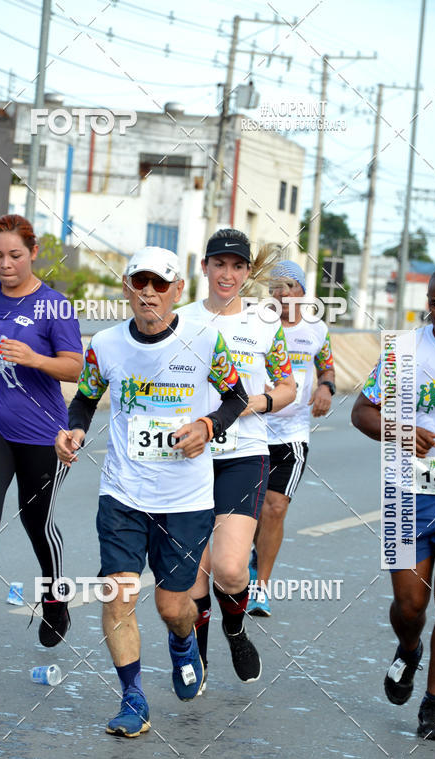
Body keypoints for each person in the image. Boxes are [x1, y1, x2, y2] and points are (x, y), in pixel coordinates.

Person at [55, 246, 248, 737]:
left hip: (185, 499)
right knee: (117, 592)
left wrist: (208, 424)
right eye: (139, 282)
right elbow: (86, 400)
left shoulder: (206, 341)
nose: (148, 292)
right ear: (126, 287)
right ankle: (133, 698)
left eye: (159, 284)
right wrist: (73, 430)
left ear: (177, 291)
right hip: (122, 493)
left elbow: (237, 395)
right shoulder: (107, 344)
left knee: (171, 607)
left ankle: (184, 643)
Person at [352, 263, 435, 741]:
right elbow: (362, 412)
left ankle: (433, 706)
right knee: (410, 606)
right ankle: (408, 650)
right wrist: (399, 431)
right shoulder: (404, 351)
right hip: (406, 495)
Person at [0, 215, 83, 648]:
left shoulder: (55, 305)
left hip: (42, 433)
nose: (5, 264)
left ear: (34, 253)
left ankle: (55, 597)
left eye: (15, 256)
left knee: (36, 520)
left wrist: (34, 359)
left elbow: (74, 365)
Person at [180, 229, 295, 690]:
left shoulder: (265, 321)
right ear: (204, 267)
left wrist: (257, 404)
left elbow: (288, 386)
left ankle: (235, 628)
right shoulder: (180, 320)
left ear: (248, 273)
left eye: (237, 266)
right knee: (191, 575)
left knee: (229, 568)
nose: (227, 274)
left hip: (244, 455)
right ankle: (198, 655)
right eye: (219, 264)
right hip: (187, 457)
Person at [247, 260, 335, 616]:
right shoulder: (256, 326)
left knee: (276, 507)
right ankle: (250, 557)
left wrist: (326, 387)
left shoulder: (316, 329)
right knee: (249, 513)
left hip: (293, 433)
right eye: (274, 287)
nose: (281, 294)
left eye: (288, 286)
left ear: (302, 291)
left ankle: (260, 587)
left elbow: (326, 365)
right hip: (253, 430)